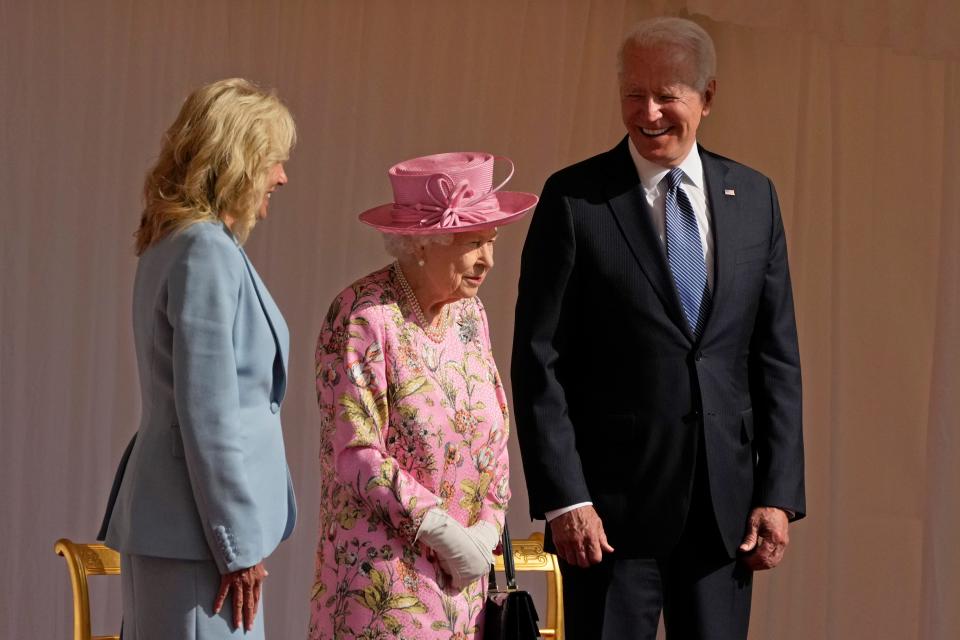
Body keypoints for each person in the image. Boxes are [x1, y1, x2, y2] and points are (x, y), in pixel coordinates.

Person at [511, 17, 805, 640]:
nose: (648, 113)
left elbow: (775, 357)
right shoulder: (575, 200)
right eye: (633, 95)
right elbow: (540, 361)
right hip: (608, 520)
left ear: (707, 97)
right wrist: (567, 497)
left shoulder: (754, 197)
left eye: (667, 95)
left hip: (724, 516)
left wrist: (777, 493)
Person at [99, 78, 298, 639]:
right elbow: (208, 415)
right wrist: (236, 546)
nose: (281, 177)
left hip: (189, 532)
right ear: (236, 161)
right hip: (200, 540)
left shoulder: (178, 243)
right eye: (273, 161)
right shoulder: (204, 250)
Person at [309, 152, 537, 639]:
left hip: (467, 588)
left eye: (492, 241)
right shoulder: (363, 317)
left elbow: (495, 422)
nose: (488, 260)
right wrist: (440, 531)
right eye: (473, 242)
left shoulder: (470, 314)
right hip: (386, 588)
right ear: (421, 244)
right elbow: (355, 453)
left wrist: (487, 526)